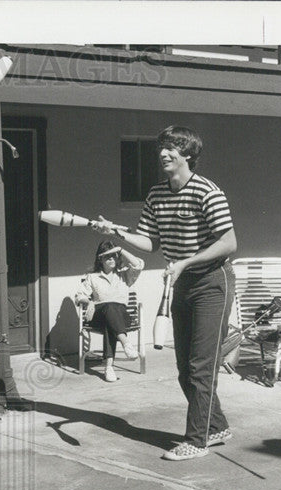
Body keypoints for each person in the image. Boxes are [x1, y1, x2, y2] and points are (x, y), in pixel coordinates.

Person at [95, 125, 237, 461]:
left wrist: (186, 262)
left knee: (201, 367)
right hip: (183, 282)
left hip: (213, 282)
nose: (163, 154)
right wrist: (116, 232)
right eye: (161, 148)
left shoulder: (207, 192)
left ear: (188, 154)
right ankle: (215, 425)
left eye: (171, 148)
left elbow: (229, 242)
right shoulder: (157, 194)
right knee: (184, 370)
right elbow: (150, 242)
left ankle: (196, 441)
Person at [74, 239, 145, 382]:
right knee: (109, 309)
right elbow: (79, 296)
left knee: (111, 317)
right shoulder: (92, 277)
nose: (111, 258)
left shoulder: (125, 275)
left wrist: (120, 250)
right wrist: (89, 301)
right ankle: (125, 344)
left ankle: (109, 367)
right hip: (99, 316)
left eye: (114, 255)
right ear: (100, 259)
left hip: (122, 317)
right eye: (107, 255)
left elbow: (138, 265)